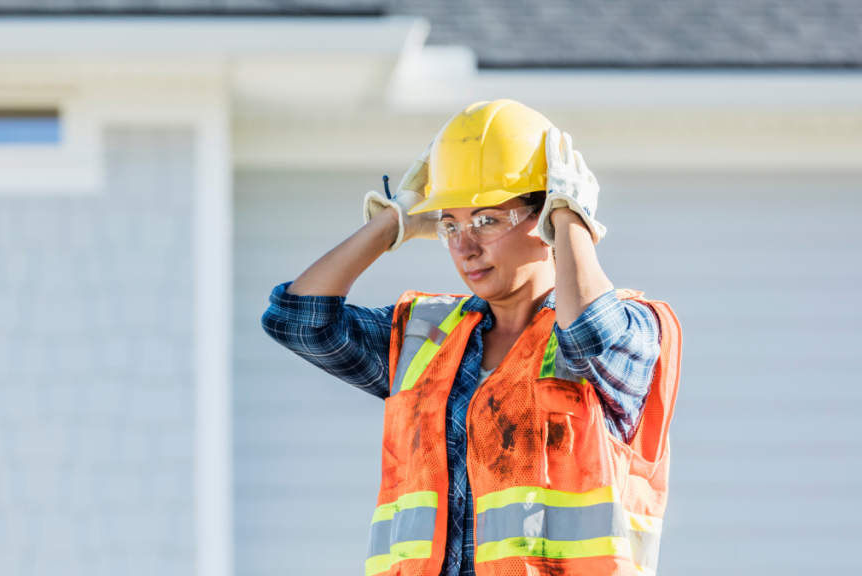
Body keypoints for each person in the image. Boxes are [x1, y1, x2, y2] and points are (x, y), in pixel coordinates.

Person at [261, 100, 682, 576]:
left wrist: (571, 220)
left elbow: (586, 334)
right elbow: (296, 320)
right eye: (450, 225)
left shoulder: (633, 328)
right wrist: (392, 222)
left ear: (545, 217)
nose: (464, 247)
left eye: (486, 220)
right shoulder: (426, 335)